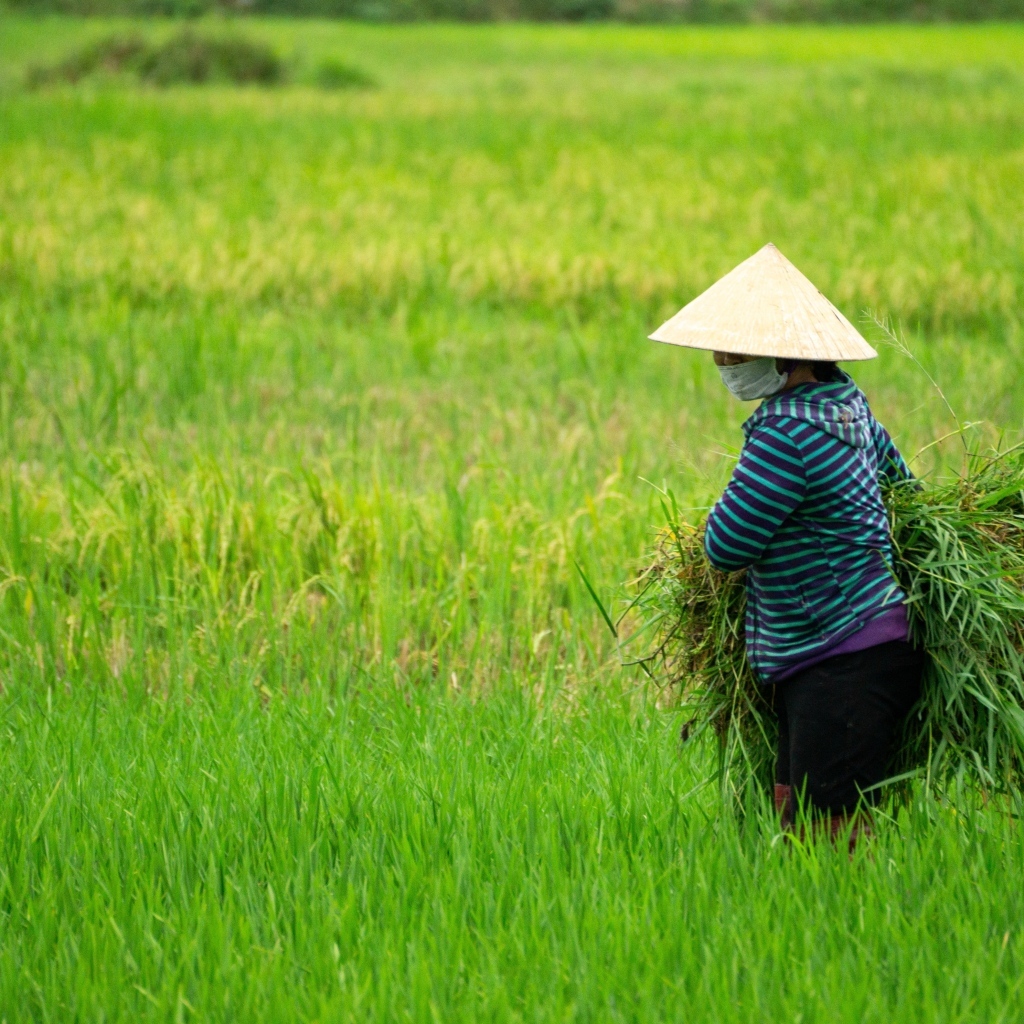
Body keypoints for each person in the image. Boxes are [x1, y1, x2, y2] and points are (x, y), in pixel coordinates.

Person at [649, 244, 924, 845]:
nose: (722, 363)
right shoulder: (847, 406)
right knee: (794, 816)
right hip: (856, 646)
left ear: (783, 355)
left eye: (733, 351)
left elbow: (726, 545)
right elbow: (906, 489)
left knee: (827, 837)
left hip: (840, 655)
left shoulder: (785, 433)